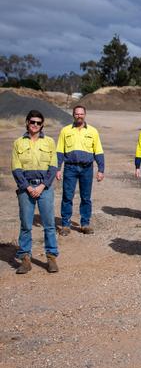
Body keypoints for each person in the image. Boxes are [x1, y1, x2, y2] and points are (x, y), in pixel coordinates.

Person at [12, 110, 59, 274]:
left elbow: (53, 167)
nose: (35, 125)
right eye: (32, 122)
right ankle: (25, 259)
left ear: (42, 125)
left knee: (49, 225)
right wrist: (28, 187)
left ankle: (51, 258)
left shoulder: (49, 142)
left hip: (44, 188)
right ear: (27, 122)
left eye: (39, 123)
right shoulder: (18, 142)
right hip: (26, 189)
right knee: (26, 225)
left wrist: (41, 186)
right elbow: (16, 168)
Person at [56, 105, 104, 235]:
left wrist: (101, 169)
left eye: (81, 114)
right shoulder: (65, 131)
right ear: (73, 115)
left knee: (86, 197)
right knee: (67, 196)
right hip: (70, 168)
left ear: (85, 115)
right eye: (77, 114)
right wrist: (58, 168)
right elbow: (60, 151)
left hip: (87, 168)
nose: (79, 116)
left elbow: (98, 151)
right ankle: (65, 225)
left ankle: (85, 224)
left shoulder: (93, 131)